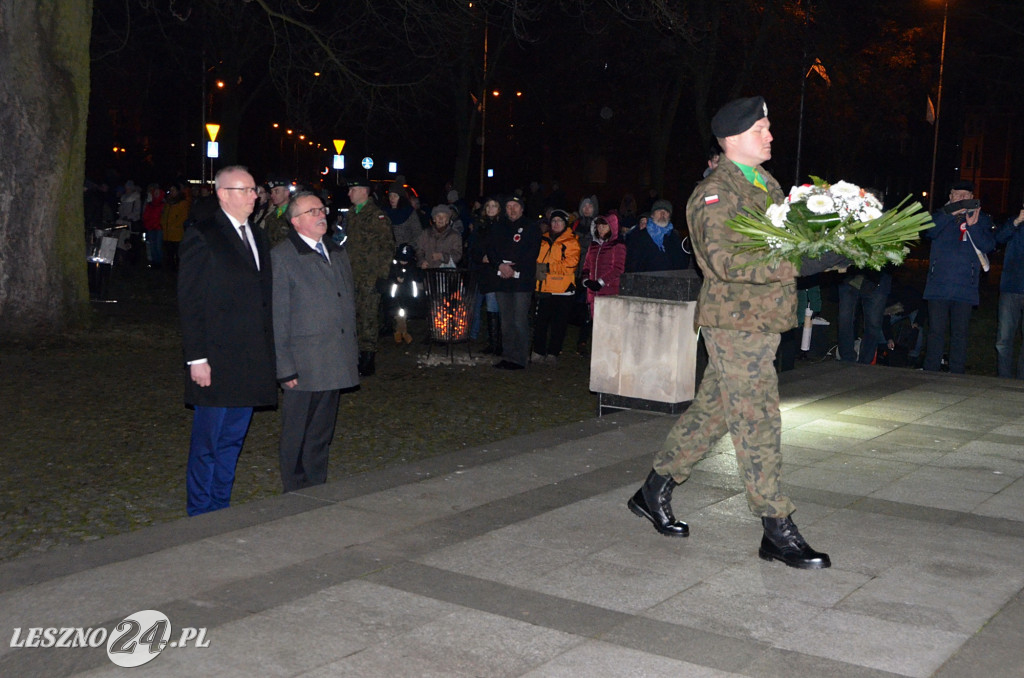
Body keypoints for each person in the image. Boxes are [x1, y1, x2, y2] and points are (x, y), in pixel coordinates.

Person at [627, 96, 845, 569]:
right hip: (734, 322)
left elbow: (783, 242)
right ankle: (776, 527)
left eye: (769, 127)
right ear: (731, 140)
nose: (771, 136)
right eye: (761, 128)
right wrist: (801, 262)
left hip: (764, 319)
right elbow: (726, 261)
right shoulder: (715, 193)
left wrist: (835, 248)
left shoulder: (766, 184)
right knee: (757, 418)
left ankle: (653, 490)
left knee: (713, 412)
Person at [178, 165, 276, 516]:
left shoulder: (258, 236)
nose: (255, 195)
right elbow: (190, 301)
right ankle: (200, 510)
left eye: (255, 189)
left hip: (250, 357)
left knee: (233, 440)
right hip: (216, 358)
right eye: (246, 189)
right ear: (223, 194)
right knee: (208, 442)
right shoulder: (203, 235)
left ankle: (222, 506)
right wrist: (197, 358)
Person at [271, 191, 358, 492]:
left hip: (333, 356)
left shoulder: (336, 251)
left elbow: (346, 302)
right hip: (304, 361)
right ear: (295, 221)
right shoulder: (283, 257)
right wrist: (285, 367)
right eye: (312, 211)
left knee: (322, 431)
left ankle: (316, 484)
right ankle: (294, 489)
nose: (322, 215)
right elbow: (278, 316)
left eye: (322, 209)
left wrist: (351, 353)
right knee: (297, 430)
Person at [921, 180, 995, 374]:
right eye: (958, 194)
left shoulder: (982, 218)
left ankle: (957, 374)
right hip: (939, 285)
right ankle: (930, 371)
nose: (962, 198)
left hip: (965, 286)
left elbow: (988, 245)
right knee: (936, 331)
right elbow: (928, 232)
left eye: (966, 195)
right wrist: (949, 215)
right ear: (950, 196)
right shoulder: (939, 215)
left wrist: (973, 226)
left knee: (960, 334)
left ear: (972, 197)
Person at [346, 177, 395, 376]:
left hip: (369, 276)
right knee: (354, 316)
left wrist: (380, 275)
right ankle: (356, 354)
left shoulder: (376, 216)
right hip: (352, 274)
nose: (349, 194)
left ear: (364, 191)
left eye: (353, 189)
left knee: (368, 317)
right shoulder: (351, 214)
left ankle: (368, 358)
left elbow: (388, 246)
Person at [487, 195, 541, 369]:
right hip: (502, 279)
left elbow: (531, 253)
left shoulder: (531, 227)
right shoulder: (498, 227)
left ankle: (520, 358)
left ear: (522, 208)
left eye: (515, 205)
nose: (512, 209)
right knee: (506, 320)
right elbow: (491, 249)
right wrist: (500, 266)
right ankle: (508, 356)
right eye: (509, 206)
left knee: (519, 320)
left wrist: (514, 269)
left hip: (521, 282)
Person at [531, 209, 580, 364]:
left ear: (565, 224)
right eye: (553, 221)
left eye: (559, 221)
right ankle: (538, 351)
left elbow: (571, 264)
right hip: (544, 287)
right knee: (541, 322)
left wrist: (548, 268)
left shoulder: (571, 241)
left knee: (559, 324)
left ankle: (553, 353)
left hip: (563, 289)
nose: (556, 224)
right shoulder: (543, 239)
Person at [469, 196, 503, 354]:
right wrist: (480, 256)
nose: (490, 209)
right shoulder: (480, 226)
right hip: (483, 271)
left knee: (494, 305)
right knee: (489, 304)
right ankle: (493, 341)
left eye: (494, 205)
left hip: (497, 271)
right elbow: (473, 247)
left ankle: (497, 342)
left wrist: (494, 258)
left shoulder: (502, 226)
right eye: (488, 206)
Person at [837, 267, 892, 364]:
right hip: (850, 276)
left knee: (873, 323)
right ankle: (847, 358)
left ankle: (865, 362)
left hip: (879, 278)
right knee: (844, 317)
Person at [993, 206, 1024, 377]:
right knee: (1004, 339)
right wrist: (1016, 222)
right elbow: (998, 238)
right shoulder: (1014, 222)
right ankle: (1003, 379)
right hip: (1011, 287)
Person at [624, 199, 689, 273]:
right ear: (652, 215)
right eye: (659, 210)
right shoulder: (639, 235)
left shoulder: (674, 237)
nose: (662, 214)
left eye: (666, 211)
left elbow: (681, 264)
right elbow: (632, 264)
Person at [581, 214, 627, 318]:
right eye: (598, 226)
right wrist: (586, 280)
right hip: (592, 293)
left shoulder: (617, 245)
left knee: (608, 325)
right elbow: (586, 265)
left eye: (604, 226)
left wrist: (600, 282)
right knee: (593, 325)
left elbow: (618, 268)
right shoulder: (593, 246)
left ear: (611, 227)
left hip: (609, 292)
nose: (600, 229)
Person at [416, 205, 463, 269]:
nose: (441, 219)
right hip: (428, 272)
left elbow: (457, 255)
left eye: (444, 216)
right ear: (434, 219)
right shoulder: (425, 233)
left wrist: (442, 256)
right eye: (438, 216)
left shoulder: (454, 236)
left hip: (445, 273)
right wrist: (422, 261)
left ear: (447, 220)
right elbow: (419, 250)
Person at [161, 182, 190, 272]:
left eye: (173, 190)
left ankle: (178, 269)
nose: (171, 192)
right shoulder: (168, 203)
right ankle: (170, 269)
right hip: (167, 233)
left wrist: (174, 225)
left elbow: (183, 217)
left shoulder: (182, 203)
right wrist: (162, 223)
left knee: (177, 253)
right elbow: (164, 215)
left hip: (176, 233)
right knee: (169, 253)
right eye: (171, 190)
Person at [386, 181, 423, 247]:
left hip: (405, 251)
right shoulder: (384, 212)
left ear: (400, 197)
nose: (392, 198)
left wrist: (409, 247)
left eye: (395, 196)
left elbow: (417, 233)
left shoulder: (409, 212)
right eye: (390, 195)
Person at [262, 177, 293, 248]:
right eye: (271, 192)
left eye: (276, 191)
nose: (272, 195)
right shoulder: (270, 214)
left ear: (287, 192)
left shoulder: (295, 213)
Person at [142, 183, 165, 268]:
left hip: (159, 227)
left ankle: (159, 262)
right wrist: (147, 224)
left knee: (158, 246)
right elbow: (146, 215)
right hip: (151, 227)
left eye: (157, 193)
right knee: (152, 246)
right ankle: (154, 262)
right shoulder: (150, 204)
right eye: (155, 193)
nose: (156, 194)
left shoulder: (163, 204)